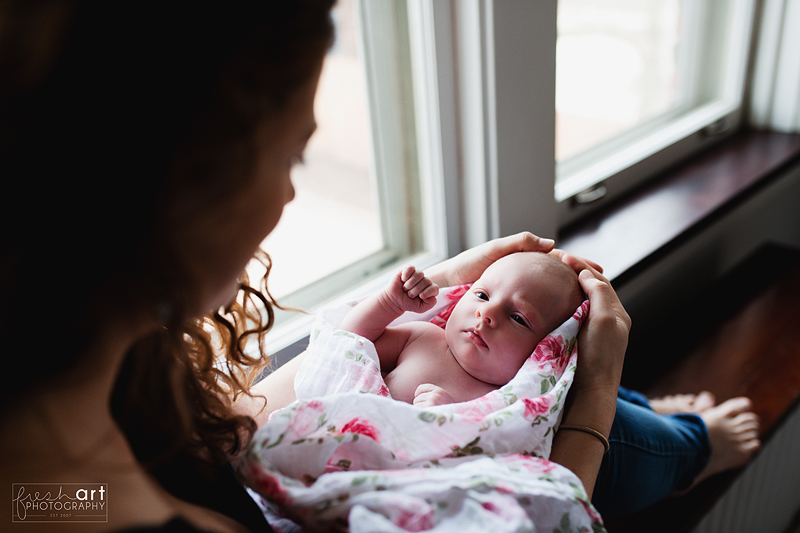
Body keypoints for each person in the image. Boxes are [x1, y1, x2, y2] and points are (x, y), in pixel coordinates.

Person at [0, 1, 755, 531]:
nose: (291, 194)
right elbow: (535, 516)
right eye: (293, 154)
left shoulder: (59, 452)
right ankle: (693, 442)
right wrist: (588, 405)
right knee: (631, 437)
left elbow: (242, 428)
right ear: (184, 185)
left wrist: (449, 283)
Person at [338, 251, 584, 406]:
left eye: (518, 318)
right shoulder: (421, 338)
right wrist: (388, 303)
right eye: (482, 295)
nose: (486, 313)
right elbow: (349, 345)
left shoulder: (508, 401)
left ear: (544, 351)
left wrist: (450, 422)